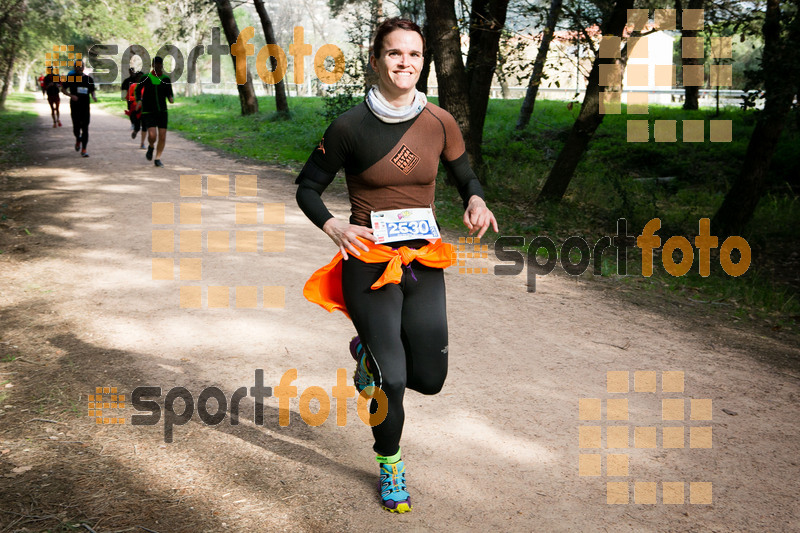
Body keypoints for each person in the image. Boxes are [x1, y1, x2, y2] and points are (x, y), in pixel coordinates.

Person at [295, 18, 498, 513]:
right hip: (366, 262)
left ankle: (364, 353)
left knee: (429, 378)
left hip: (423, 260)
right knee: (394, 380)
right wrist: (334, 227)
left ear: (422, 61)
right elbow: (307, 187)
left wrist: (475, 200)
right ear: (376, 59)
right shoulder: (349, 126)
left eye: (413, 54)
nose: (404, 62)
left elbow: (465, 175)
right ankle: (390, 464)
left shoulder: (440, 121)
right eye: (393, 53)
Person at [137, 56, 173, 168]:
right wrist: (139, 100)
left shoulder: (166, 79)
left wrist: (171, 98)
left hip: (162, 111)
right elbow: (137, 90)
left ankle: (157, 158)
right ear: (153, 65)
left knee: (162, 137)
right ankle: (151, 146)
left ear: (162, 65)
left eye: (160, 64)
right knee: (152, 136)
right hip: (148, 111)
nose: (158, 65)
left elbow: (169, 93)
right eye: (156, 64)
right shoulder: (145, 77)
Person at [61, 60, 97, 158]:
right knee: (76, 128)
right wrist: (71, 95)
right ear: (74, 68)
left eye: (81, 66)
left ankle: (84, 149)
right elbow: (63, 89)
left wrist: (94, 96)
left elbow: (92, 90)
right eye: (78, 66)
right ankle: (78, 138)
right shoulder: (71, 78)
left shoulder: (88, 79)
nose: (80, 68)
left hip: (85, 107)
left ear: (83, 67)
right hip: (75, 106)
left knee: (85, 128)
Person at [125, 71, 146, 148]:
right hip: (136, 108)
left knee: (144, 126)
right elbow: (128, 97)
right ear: (136, 78)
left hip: (145, 108)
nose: (140, 79)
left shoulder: (146, 86)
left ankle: (142, 143)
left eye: (142, 77)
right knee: (137, 126)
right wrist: (137, 99)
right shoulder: (133, 86)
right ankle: (135, 131)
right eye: (139, 77)